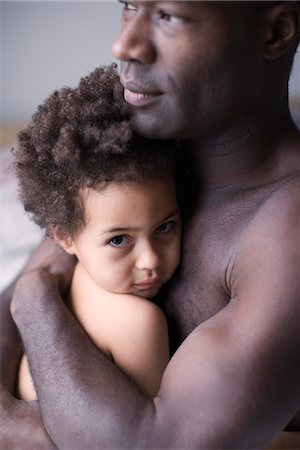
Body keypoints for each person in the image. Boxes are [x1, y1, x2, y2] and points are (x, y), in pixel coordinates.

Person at [1, 1, 300, 449]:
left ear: (274, 33)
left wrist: (33, 299)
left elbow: (149, 445)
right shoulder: (141, 153)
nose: (124, 43)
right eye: (129, 6)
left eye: (168, 16)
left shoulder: (286, 230)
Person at [13, 65, 182, 401]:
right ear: (64, 238)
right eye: (119, 239)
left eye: (164, 227)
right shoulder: (138, 323)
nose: (150, 260)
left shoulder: (80, 278)